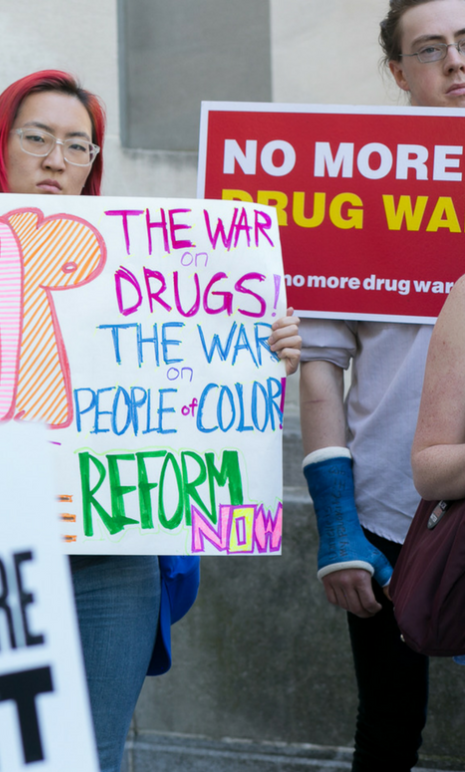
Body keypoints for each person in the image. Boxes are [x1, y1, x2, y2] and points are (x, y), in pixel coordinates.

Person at [0, 70, 301, 772]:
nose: (57, 159)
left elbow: (197, 388)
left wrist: (260, 352)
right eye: (38, 138)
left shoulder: (150, 266)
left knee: (87, 758)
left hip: (108, 561)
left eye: (80, 146)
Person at [299, 2, 465, 768]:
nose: (455, 63)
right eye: (430, 50)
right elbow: (322, 366)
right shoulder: (358, 185)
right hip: (388, 520)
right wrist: (338, 526)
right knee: (390, 725)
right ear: (400, 73)